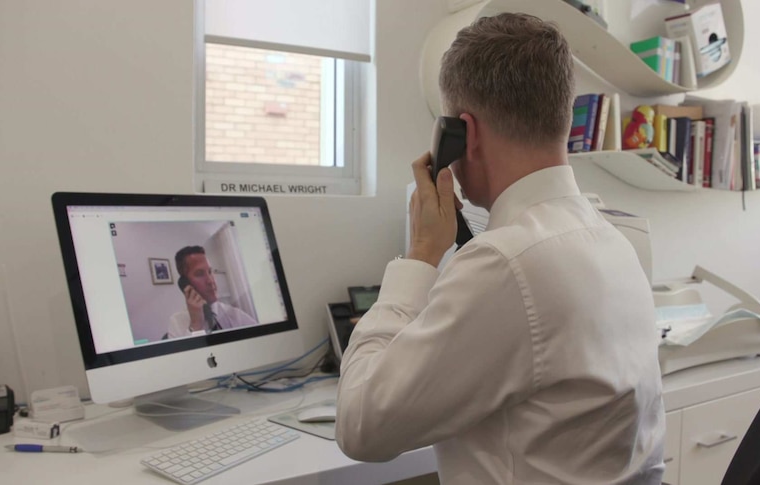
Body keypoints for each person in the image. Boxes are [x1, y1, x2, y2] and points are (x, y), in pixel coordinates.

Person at [335, 13, 664, 485]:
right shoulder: (616, 238)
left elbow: (359, 427)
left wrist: (422, 254)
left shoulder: (508, 263)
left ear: (462, 133)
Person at [167, 246, 257, 338]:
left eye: (210, 271)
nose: (210, 281)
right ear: (186, 283)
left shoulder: (236, 315)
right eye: (200, 274)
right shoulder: (176, 323)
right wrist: (196, 325)